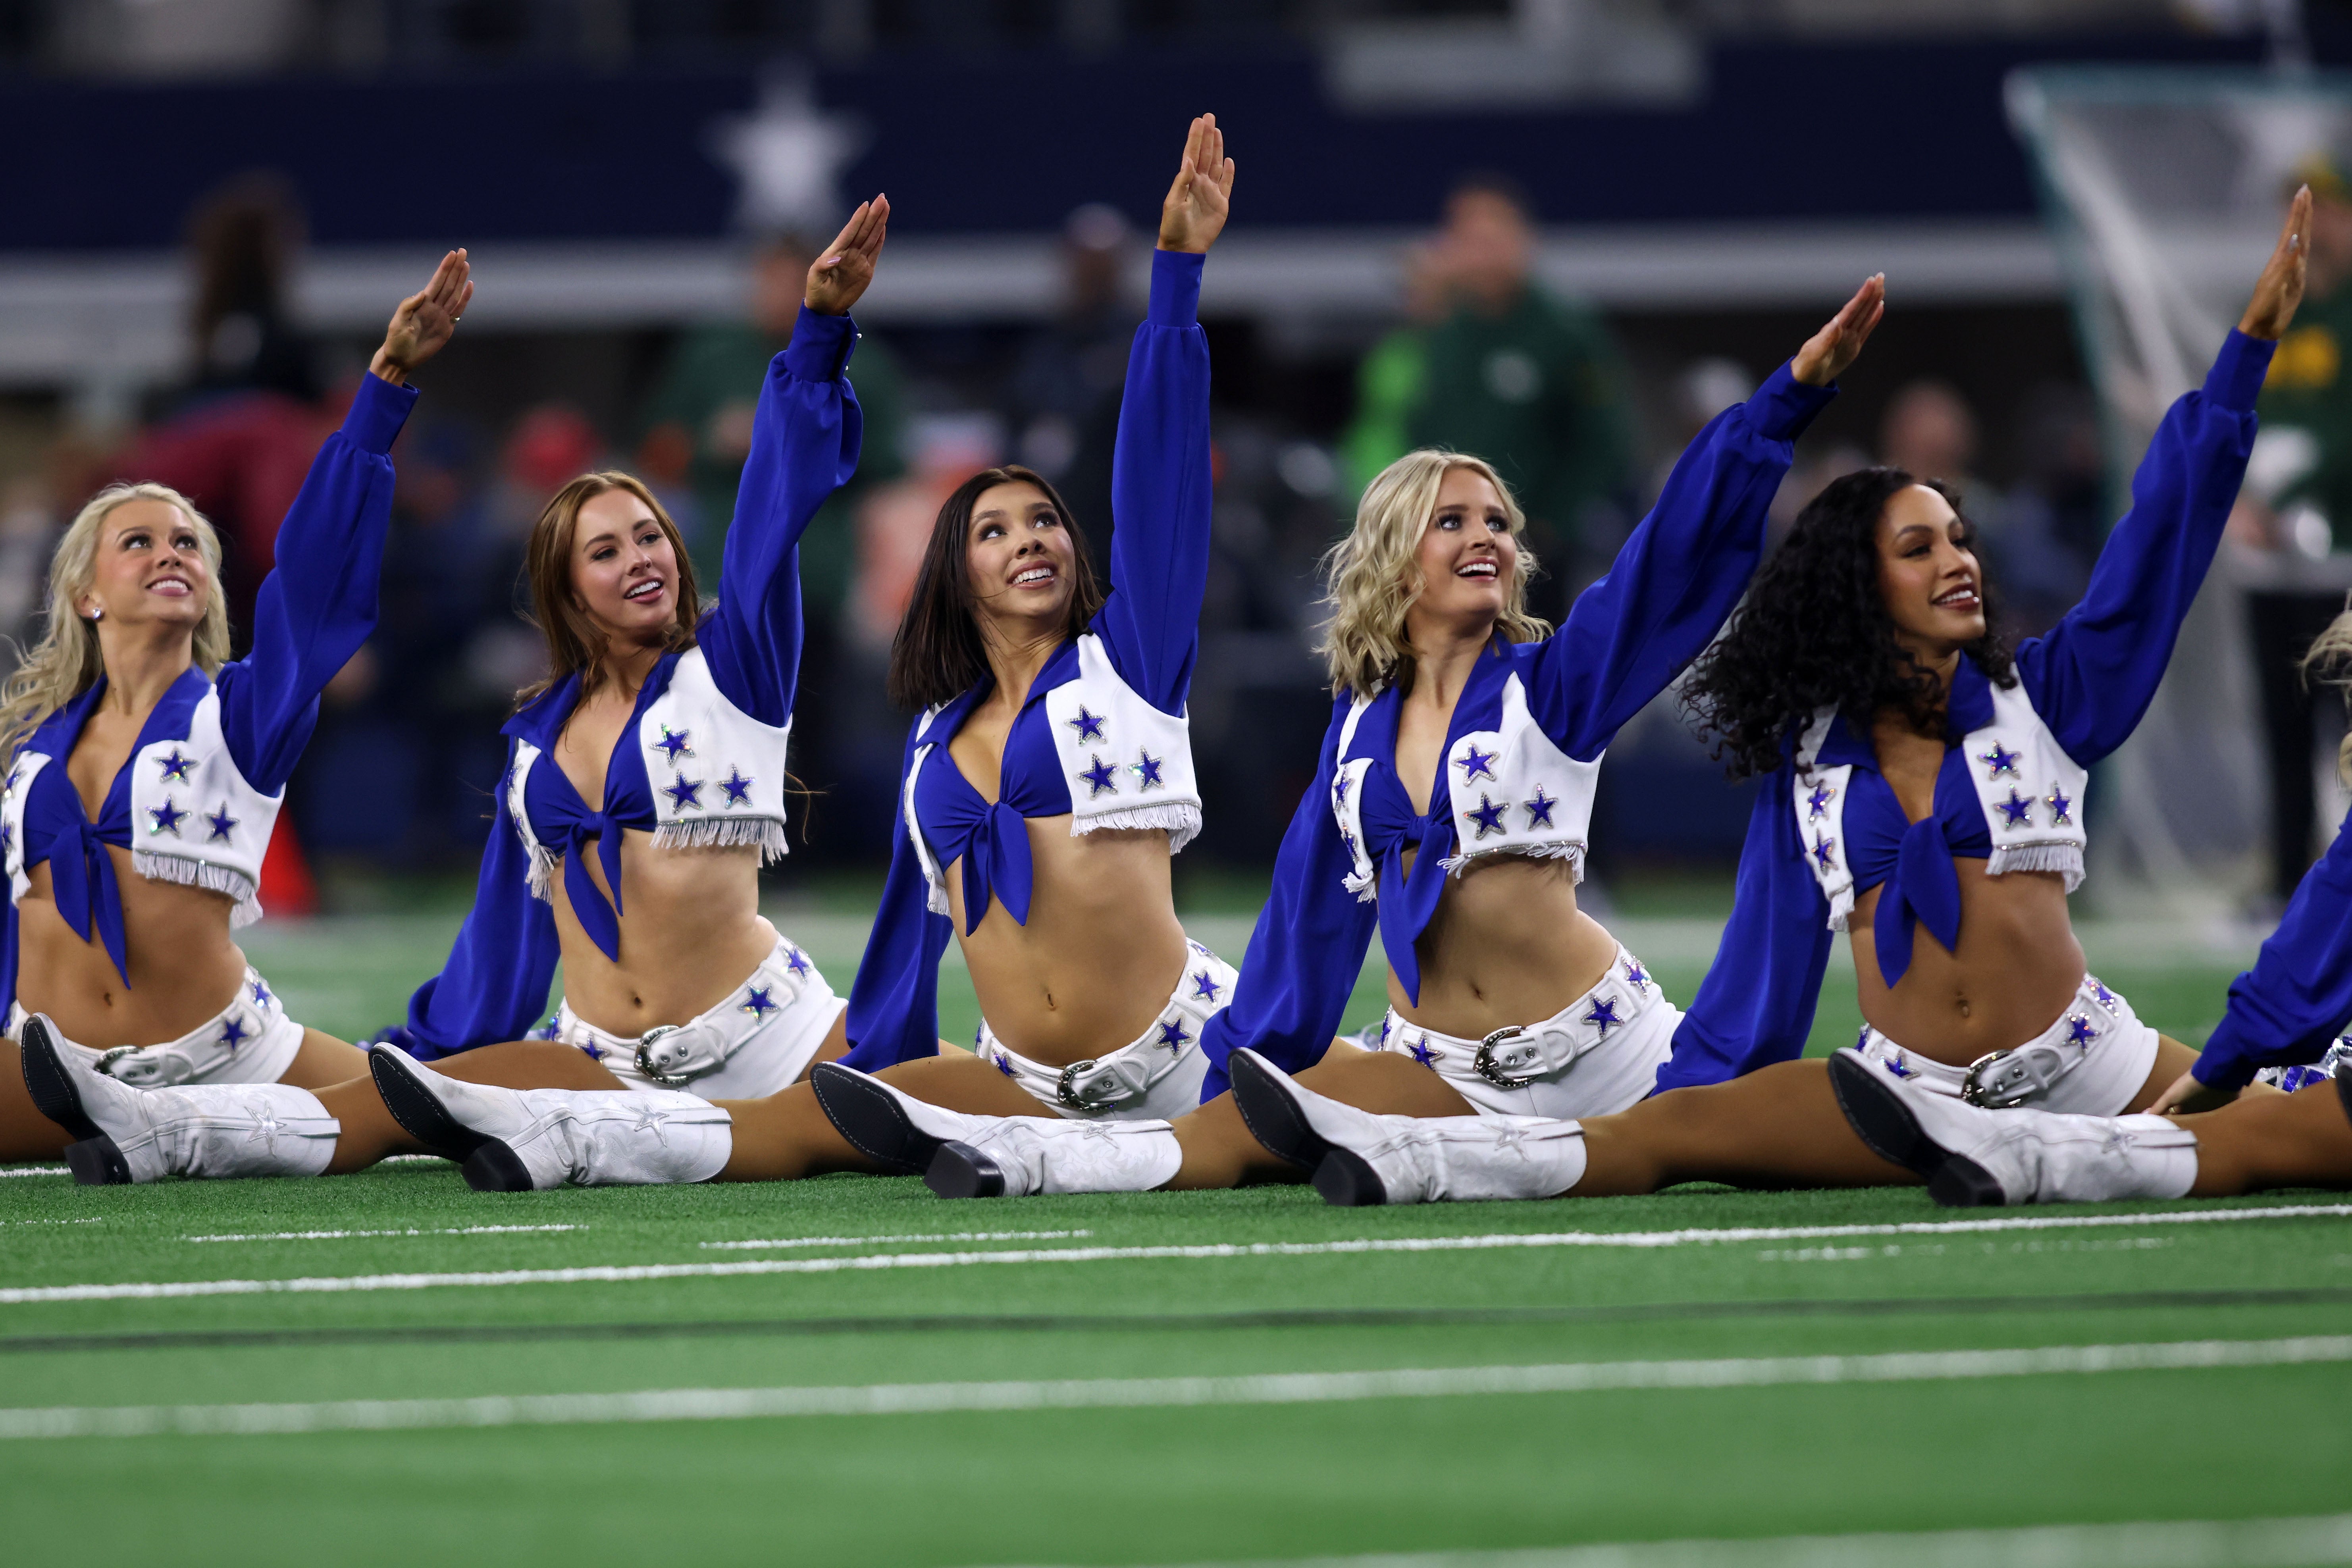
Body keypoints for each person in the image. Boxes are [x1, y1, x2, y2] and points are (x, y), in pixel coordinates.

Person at [1204, 195, 2309, 1207]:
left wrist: (2237, 372)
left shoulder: (2045, 699)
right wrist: (1703, 1098)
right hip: (1901, 1088)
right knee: (1650, 1131)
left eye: (1959, 540)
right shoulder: (1809, 767)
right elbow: (1758, 973)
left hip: (2083, 1056)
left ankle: (2080, 1147)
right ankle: (1368, 1150)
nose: (1959, 562)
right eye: (1919, 547)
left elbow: (2145, 568)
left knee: (2281, 1127)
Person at [808, 274, 1885, 1199]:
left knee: (1768, 1122)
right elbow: (1307, 915)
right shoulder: (1358, 736)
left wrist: (1776, 410)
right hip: (1436, 1064)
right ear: (1396, 557)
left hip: (1607, 1051)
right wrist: (1250, 1056)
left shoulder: (1553, 686)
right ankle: (1041, 1156)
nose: (1485, 537)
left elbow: (1663, 565)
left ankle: (1937, 1132)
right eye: (1452, 520)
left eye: (1497, 523)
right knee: (1258, 1117)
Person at [18, 200, 890, 1187]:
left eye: (651, 536)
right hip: (603, 1061)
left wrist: (817, 336)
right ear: (567, 590)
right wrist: (430, 1053)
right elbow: (502, 947)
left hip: (775, 1033)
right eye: (605, 550)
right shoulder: (535, 747)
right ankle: (165, 1131)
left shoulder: (732, 669)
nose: (642, 557)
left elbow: (770, 519)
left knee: (939, 1103)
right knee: (409, 1094)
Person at [0, 250, 472, 1169]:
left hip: (228, 1058)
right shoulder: (30, 746)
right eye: (138, 542)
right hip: (49, 1069)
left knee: (454, 1110)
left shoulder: (241, 715)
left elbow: (317, 584)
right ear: (86, 594)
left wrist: (381, 391)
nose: (170, 553)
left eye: (189, 544)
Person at [1406, 174, 1638, 613]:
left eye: (1491, 241)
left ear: (1521, 242)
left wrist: (1550, 523)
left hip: (1536, 552)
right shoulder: (1445, 333)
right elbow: (1426, 426)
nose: (1480, 257)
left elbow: (1602, 441)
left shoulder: (1565, 333)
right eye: (1467, 242)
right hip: (1450, 543)